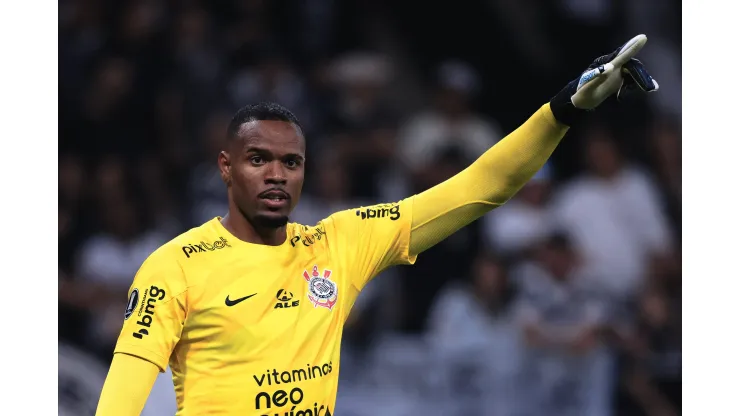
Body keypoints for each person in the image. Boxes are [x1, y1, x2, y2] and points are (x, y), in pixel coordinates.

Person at [95, 35, 659, 415]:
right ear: (226, 167)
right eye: (257, 159)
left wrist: (563, 110)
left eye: (290, 162)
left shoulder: (339, 242)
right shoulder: (175, 265)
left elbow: (482, 187)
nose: (275, 174)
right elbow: (123, 391)